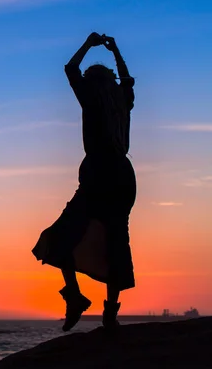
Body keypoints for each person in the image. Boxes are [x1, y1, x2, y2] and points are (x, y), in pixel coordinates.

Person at [31, 32, 137, 332]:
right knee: (117, 242)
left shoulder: (91, 96)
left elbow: (70, 69)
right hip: (123, 175)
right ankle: (109, 314)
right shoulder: (122, 99)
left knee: (62, 234)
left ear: (91, 81)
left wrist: (88, 46)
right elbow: (127, 79)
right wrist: (115, 49)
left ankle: (75, 296)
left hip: (98, 172)